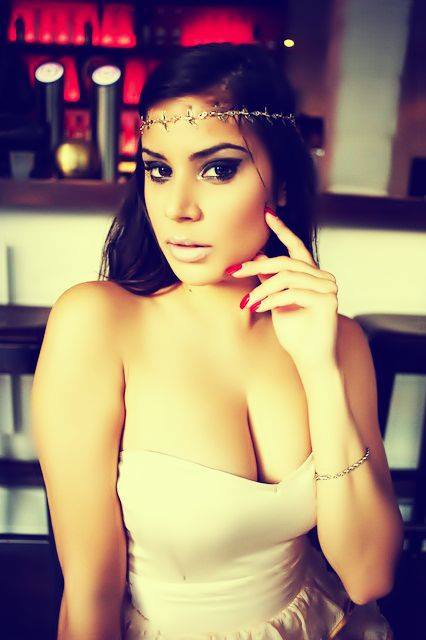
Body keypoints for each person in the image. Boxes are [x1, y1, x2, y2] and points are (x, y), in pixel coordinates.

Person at [30, 43, 403, 639]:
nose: (177, 208)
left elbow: (367, 576)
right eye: (158, 170)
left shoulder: (338, 341)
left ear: (282, 183)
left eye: (218, 169)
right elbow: (90, 591)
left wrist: (319, 369)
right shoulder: (97, 323)